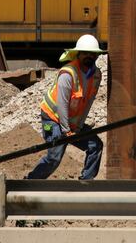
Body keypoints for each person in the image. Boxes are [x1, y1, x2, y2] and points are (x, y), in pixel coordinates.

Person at [27, 33, 105, 180]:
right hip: (52, 120)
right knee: (54, 157)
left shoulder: (96, 75)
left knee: (95, 145)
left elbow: (88, 102)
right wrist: (66, 129)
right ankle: (31, 181)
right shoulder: (68, 74)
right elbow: (62, 104)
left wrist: (79, 125)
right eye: (86, 53)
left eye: (93, 54)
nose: (90, 56)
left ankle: (86, 182)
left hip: (71, 122)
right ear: (78, 54)